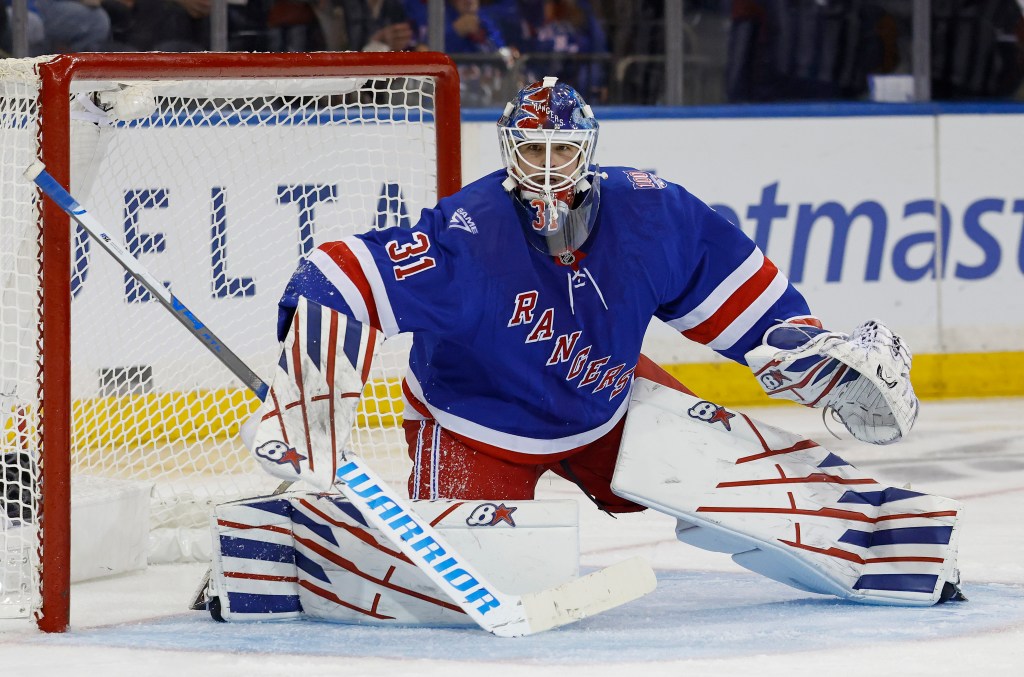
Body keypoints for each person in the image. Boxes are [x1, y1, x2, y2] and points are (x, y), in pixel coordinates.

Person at [262, 77, 963, 609]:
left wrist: (817, 360)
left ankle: (894, 543)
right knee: (466, 580)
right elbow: (337, 273)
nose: (546, 166)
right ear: (509, 152)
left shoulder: (651, 212)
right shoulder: (464, 235)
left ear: (587, 150)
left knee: (742, 481)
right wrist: (309, 394)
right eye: (532, 150)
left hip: (608, 406)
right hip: (478, 428)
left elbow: (748, 304)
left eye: (561, 149)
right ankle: (279, 551)